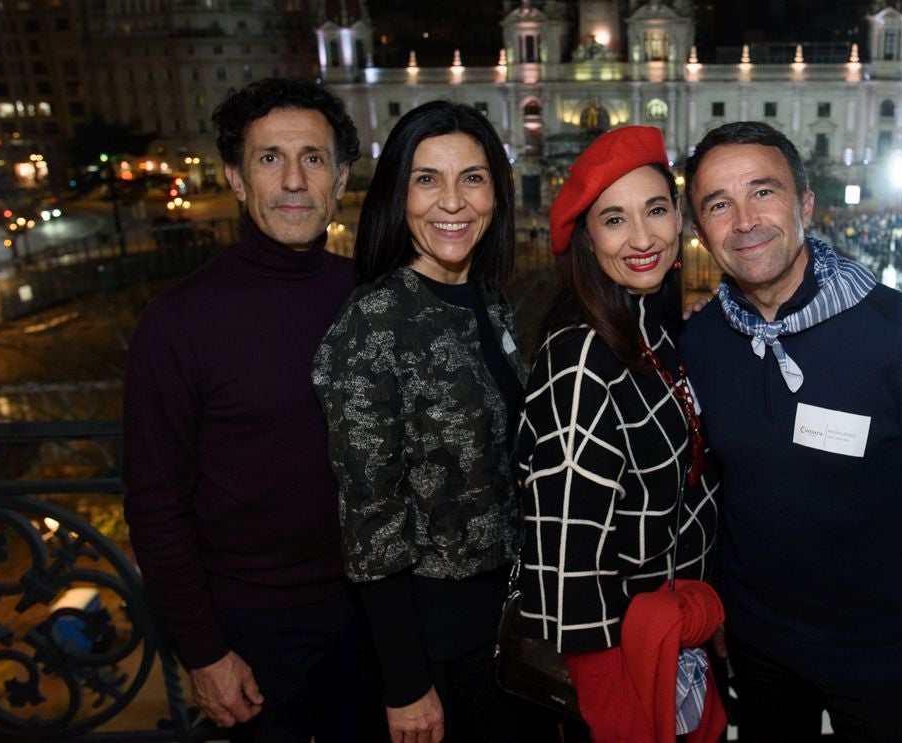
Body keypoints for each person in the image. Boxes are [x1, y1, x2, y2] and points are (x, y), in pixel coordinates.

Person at [680, 122, 902, 743]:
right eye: (718, 204)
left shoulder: (899, 335)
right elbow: (712, 491)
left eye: (763, 192)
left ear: (805, 205)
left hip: (883, 657)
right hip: (760, 649)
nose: (744, 220)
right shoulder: (701, 341)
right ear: (702, 231)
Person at [123, 78, 381, 742]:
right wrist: (203, 650)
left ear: (342, 177)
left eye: (314, 158)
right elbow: (156, 502)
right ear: (236, 179)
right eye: (270, 158)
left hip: (374, 615)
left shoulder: (374, 298)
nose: (294, 180)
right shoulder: (178, 321)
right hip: (252, 629)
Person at [314, 101, 540, 743]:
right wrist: (406, 682)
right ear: (398, 195)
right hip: (437, 641)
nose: (453, 201)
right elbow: (370, 520)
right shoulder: (373, 324)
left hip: (506, 620)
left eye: (472, 177)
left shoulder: (487, 300)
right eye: (427, 179)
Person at [518, 125, 725, 743]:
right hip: (621, 671)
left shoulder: (651, 332)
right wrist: (620, 721)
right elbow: (567, 566)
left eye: (656, 210)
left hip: (670, 646)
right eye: (614, 220)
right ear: (586, 240)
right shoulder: (582, 360)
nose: (642, 238)